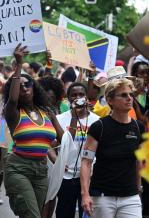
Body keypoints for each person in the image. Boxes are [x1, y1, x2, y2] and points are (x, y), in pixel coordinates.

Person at [2, 44, 63, 218]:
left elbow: (63, 139)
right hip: (18, 169)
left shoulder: (47, 113)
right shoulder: (13, 112)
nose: (24, 88)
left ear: (35, 87)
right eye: (19, 86)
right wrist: (19, 65)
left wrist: (75, 117)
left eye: (27, 84)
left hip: (41, 171)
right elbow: (13, 100)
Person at [81, 78, 143, 218]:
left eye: (130, 94)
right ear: (110, 100)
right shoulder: (99, 127)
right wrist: (85, 194)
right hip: (102, 196)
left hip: (130, 197)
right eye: (123, 95)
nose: (129, 98)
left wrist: (139, 189)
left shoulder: (138, 127)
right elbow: (86, 162)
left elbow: (138, 162)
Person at [55, 83, 99, 218]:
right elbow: (53, 146)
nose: (77, 97)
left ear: (86, 97)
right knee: (64, 213)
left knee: (87, 214)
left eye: (81, 94)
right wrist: (58, 162)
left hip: (89, 177)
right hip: (66, 176)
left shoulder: (97, 121)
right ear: (67, 98)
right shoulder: (60, 119)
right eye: (73, 95)